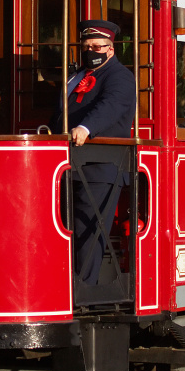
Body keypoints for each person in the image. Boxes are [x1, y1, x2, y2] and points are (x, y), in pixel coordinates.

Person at [50, 19, 136, 287]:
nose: (91, 51)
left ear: (110, 49)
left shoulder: (119, 76)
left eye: (97, 46)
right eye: (86, 46)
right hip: (67, 165)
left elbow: (112, 105)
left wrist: (86, 127)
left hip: (99, 167)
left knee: (89, 230)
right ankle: (64, 285)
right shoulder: (76, 76)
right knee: (65, 228)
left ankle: (83, 288)